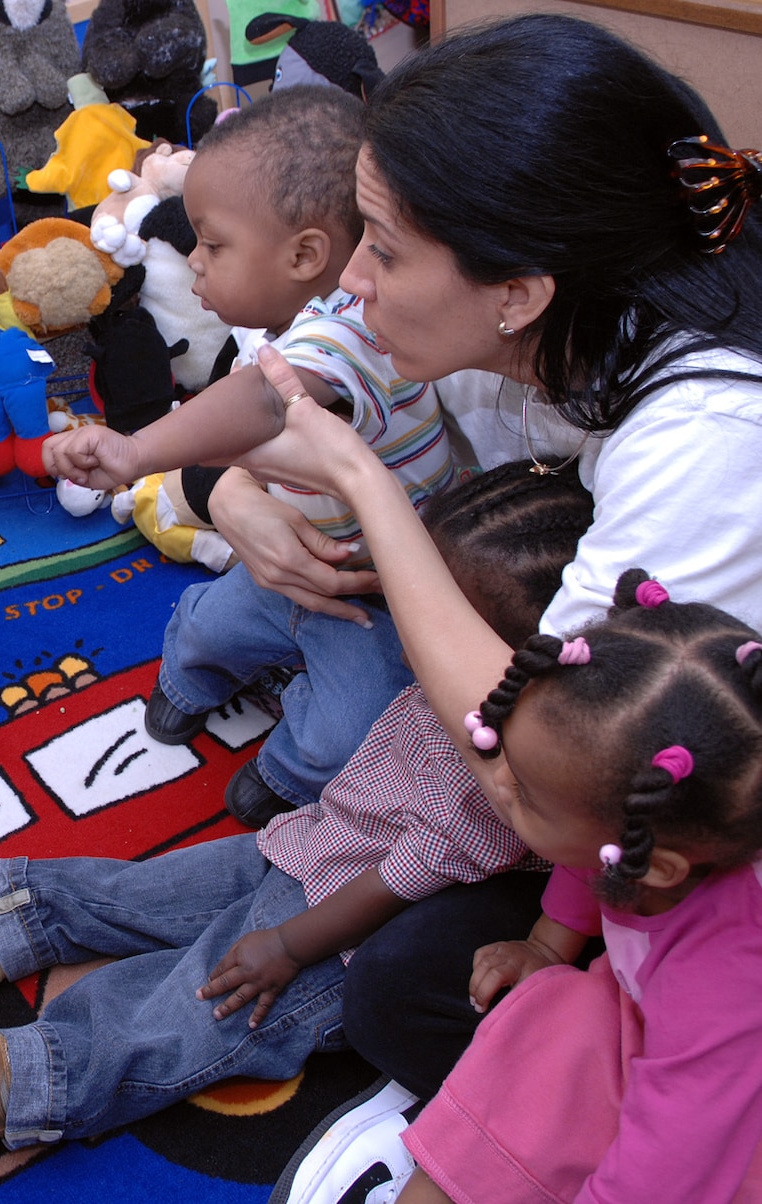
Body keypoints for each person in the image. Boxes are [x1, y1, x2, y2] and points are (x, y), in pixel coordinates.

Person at [54, 14, 762, 1199]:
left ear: (518, 287)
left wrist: (365, 485)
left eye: (377, 247)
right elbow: (295, 378)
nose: (349, 282)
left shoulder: (722, 437)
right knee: (407, 924)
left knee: (403, 958)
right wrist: (222, 491)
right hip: (626, 787)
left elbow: (526, 756)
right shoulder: (571, 322)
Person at [0, 462, 591, 1150]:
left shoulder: (500, 776)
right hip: (316, 842)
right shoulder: (457, 690)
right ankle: (19, 911)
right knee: (163, 887)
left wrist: (286, 943)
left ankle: (45, 1080)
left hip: (343, 929)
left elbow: (398, 882)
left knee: (206, 998)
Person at [392, 573, 762, 1202]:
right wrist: (549, 945)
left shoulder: (734, 965)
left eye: (525, 793)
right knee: (543, 1033)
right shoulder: (657, 818)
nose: (498, 785)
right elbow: (588, 860)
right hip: (670, 1011)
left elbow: (675, 1159)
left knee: (743, 1180)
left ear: (655, 866)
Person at [50, 83, 457, 827]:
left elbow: (265, 400)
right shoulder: (299, 319)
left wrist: (135, 450)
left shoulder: (354, 331)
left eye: (213, 244)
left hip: (379, 599)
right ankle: (188, 677)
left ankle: (291, 768)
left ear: (305, 254)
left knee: (352, 730)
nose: (195, 265)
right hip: (293, 550)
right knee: (210, 627)